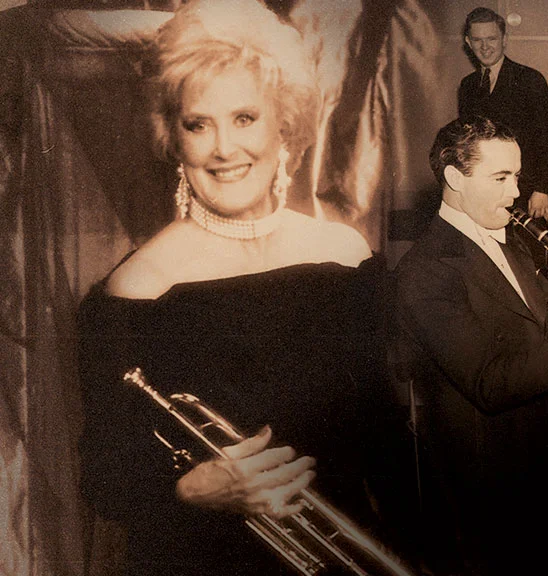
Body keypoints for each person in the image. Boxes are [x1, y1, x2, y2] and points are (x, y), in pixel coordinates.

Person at [75, 1, 408, 574]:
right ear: (174, 139)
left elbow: (387, 444)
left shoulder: (347, 257)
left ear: (284, 127)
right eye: (198, 124)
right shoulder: (136, 287)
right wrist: (190, 489)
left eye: (245, 118)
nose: (224, 149)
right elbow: (103, 479)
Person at [393, 116, 548, 575]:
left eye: (517, 177)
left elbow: (544, 330)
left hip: (543, 454)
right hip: (486, 478)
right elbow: (490, 382)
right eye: (501, 178)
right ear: (454, 178)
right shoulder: (424, 271)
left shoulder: (512, 244)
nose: (516, 193)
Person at [456, 6, 548, 260]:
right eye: (477, 40)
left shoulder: (530, 80)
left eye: (491, 39)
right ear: (468, 42)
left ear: (504, 39)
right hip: (483, 196)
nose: (485, 47)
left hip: (525, 194)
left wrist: (542, 190)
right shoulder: (467, 86)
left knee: (530, 263)